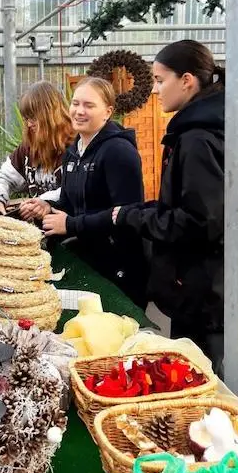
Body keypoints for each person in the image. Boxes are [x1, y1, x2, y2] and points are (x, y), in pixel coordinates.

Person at [110, 40, 225, 376]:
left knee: (199, 377)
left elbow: (200, 221)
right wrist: (142, 211)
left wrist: (135, 217)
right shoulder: (196, 131)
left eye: (160, 81)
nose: (155, 90)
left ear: (187, 80)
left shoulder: (197, 140)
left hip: (201, 291)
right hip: (201, 288)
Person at [41, 76, 147, 307]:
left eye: (89, 105)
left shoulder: (118, 151)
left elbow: (127, 214)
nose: (79, 111)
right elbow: (70, 203)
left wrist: (71, 225)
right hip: (89, 261)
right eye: (76, 103)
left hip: (119, 267)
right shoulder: (73, 153)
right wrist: (47, 208)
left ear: (107, 112)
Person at [0, 81, 74, 219]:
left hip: (69, 226)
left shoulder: (75, 147)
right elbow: (5, 176)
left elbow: (75, 189)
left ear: (50, 115)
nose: (29, 124)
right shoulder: (28, 147)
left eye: (33, 118)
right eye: (26, 119)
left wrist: (44, 202)